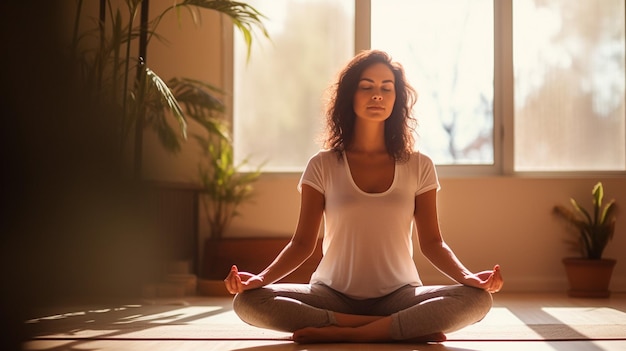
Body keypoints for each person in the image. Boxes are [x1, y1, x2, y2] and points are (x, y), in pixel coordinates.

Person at [224, 49, 504, 344]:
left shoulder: (420, 165)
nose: (377, 95)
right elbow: (302, 244)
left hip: (400, 295)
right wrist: (260, 279)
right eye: (366, 86)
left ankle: (342, 331)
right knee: (248, 302)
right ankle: (392, 328)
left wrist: (467, 277)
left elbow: (433, 243)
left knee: (478, 299)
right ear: (350, 95)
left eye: (386, 88)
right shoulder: (323, 165)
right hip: (330, 294)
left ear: (396, 99)